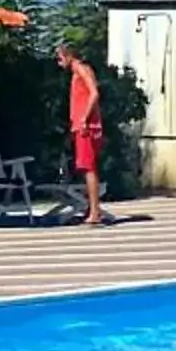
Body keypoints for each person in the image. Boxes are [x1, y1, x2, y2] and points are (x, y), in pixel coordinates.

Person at [57, 42, 106, 226]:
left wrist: (85, 118)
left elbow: (94, 93)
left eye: (60, 57)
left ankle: (94, 211)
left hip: (86, 126)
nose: (59, 61)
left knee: (89, 167)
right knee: (86, 168)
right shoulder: (77, 73)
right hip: (81, 125)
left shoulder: (81, 70)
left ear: (70, 56)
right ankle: (93, 208)